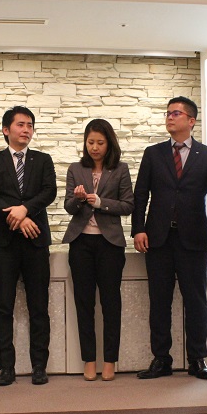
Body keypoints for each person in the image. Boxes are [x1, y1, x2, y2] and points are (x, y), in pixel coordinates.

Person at [132, 96, 207, 381]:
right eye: (168, 113)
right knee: (159, 301)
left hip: (194, 239)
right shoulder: (153, 153)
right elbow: (140, 194)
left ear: (191, 120)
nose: (170, 117)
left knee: (196, 301)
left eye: (176, 113)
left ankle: (197, 359)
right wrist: (138, 229)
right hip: (158, 239)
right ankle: (161, 359)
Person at [0, 106, 56, 386]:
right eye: (21, 124)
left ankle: (39, 366)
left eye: (30, 125)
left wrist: (25, 210)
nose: (26, 129)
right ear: (6, 130)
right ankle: (6, 367)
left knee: (39, 307)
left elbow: (49, 192)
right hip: (3, 244)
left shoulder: (43, 160)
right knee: (3, 307)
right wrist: (17, 216)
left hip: (35, 242)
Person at [63, 119, 133, 382]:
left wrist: (101, 202)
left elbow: (128, 205)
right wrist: (79, 199)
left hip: (109, 244)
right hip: (81, 242)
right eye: (90, 142)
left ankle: (110, 360)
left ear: (109, 143)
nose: (94, 147)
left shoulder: (120, 169)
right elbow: (68, 207)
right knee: (84, 303)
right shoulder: (75, 168)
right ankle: (89, 360)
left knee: (111, 303)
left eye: (100, 143)